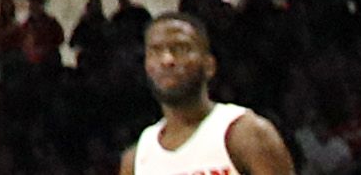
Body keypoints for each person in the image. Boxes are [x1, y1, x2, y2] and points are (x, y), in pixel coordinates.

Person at [125, 16, 296, 175]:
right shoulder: (136, 159)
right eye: (155, 51)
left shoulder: (246, 133)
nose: (167, 60)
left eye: (181, 48)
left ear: (209, 65)